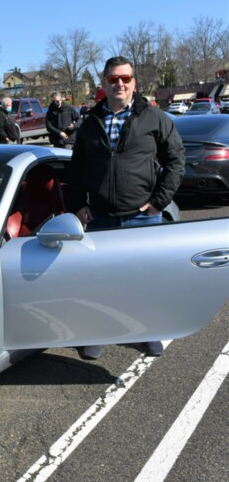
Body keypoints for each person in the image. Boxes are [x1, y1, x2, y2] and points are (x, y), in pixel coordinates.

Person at [71, 56, 185, 360]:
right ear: (104, 83)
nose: (119, 84)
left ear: (134, 82)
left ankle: (147, 333)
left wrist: (158, 201)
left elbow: (176, 160)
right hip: (101, 218)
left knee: (144, 280)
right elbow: (76, 169)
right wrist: (79, 205)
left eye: (125, 78)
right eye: (113, 79)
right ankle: (99, 333)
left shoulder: (154, 117)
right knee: (100, 281)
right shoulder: (90, 122)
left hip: (141, 216)